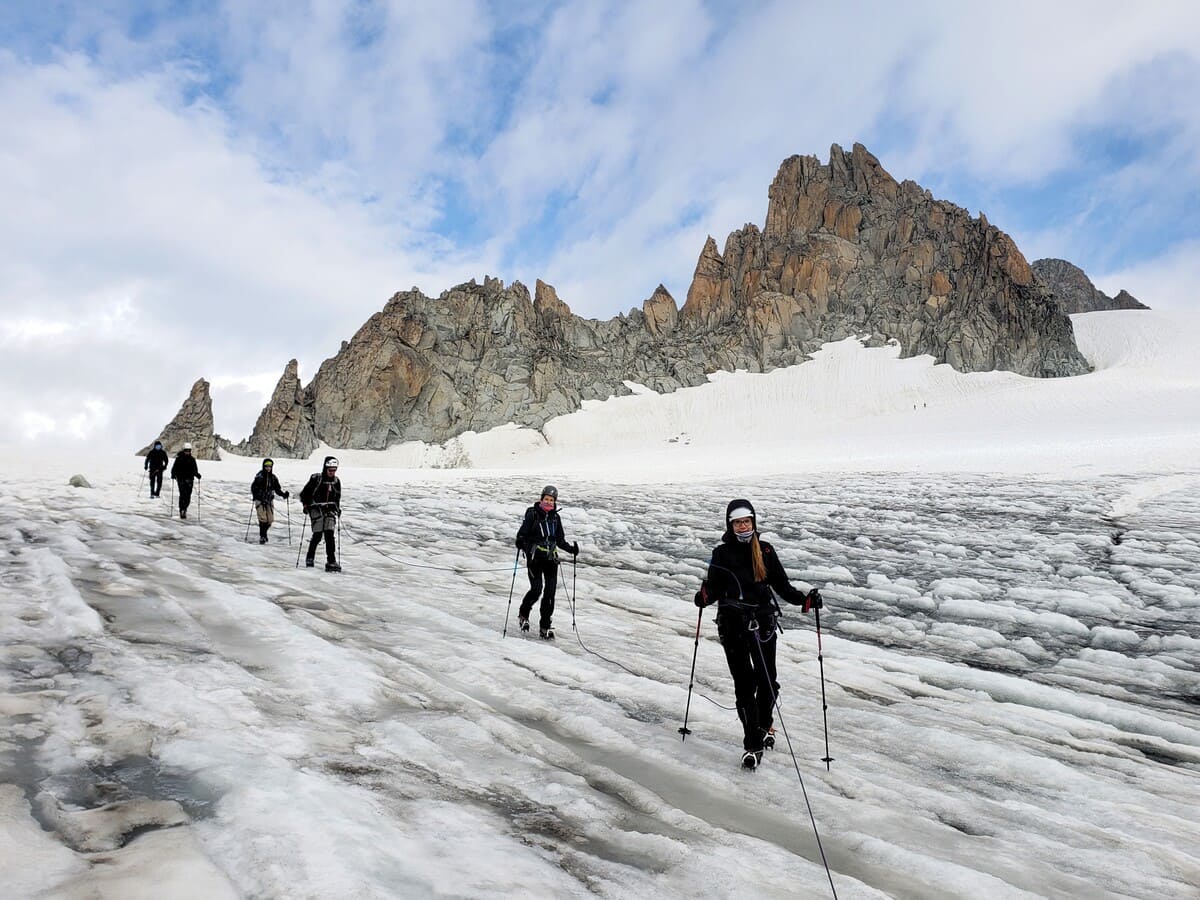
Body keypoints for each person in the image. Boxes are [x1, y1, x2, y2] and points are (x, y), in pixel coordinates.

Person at [694, 499, 822, 770]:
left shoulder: (764, 550)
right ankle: (751, 743)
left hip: (762, 624)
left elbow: (781, 585)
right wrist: (703, 598)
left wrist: (805, 601)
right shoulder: (721, 554)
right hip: (731, 626)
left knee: (767, 683)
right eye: (738, 522)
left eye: (747, 522)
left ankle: (764, 724)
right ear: (730, 524)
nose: (743, 526)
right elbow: (714, 590)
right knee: (744, 685)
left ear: (754, 522)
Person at [515, 485, 578, 640]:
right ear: (541, 499)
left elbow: (560, 540)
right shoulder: (533, 514)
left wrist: (571, 550)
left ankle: (545, 625)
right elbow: (522, 534)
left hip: (551, 560)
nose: (549, 502)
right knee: (536, 589)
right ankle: (524, 614)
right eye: (546, 499)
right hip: (535, 559)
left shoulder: (555, 517)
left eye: (551, 500)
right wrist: (521, 542)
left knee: (549, 594)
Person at [300, 456, 342, 571]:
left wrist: (337, 509)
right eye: (330, 470)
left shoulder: (336, 482)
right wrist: (306, 505)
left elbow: (337, 497)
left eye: (334, 470)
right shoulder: (316, 479)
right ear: (325, 468)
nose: (332, 473)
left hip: (330, 510)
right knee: (317, 536)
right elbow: (304, 494)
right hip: (316, 509)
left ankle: (331, 561)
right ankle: (310, 557)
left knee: (329, 535)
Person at [251, 458, 289, 544]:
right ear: (264, 466)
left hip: (269, 500)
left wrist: (283, 495)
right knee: (263, 519)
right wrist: (256, 496)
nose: (268, 468)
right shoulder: (259, 476)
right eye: (266, 466)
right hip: (260, 500)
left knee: (270, 520)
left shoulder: (273, 478)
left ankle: (264, 534)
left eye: (270, 466)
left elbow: (277, 489)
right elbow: (254, 487)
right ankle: (263, 536)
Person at [169, 442, 201, 519]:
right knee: (182, 495)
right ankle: (182, 510)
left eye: (189, 450)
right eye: (186, 450)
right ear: (183, 450)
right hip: (181, 479)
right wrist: (173, 474)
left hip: (190, 480)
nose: (187, 452)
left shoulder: (192, 460)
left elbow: (194, 470)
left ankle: (185, 508)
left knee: (188, 496)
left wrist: (197, 475)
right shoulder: (178, 459)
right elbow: (174, 468)